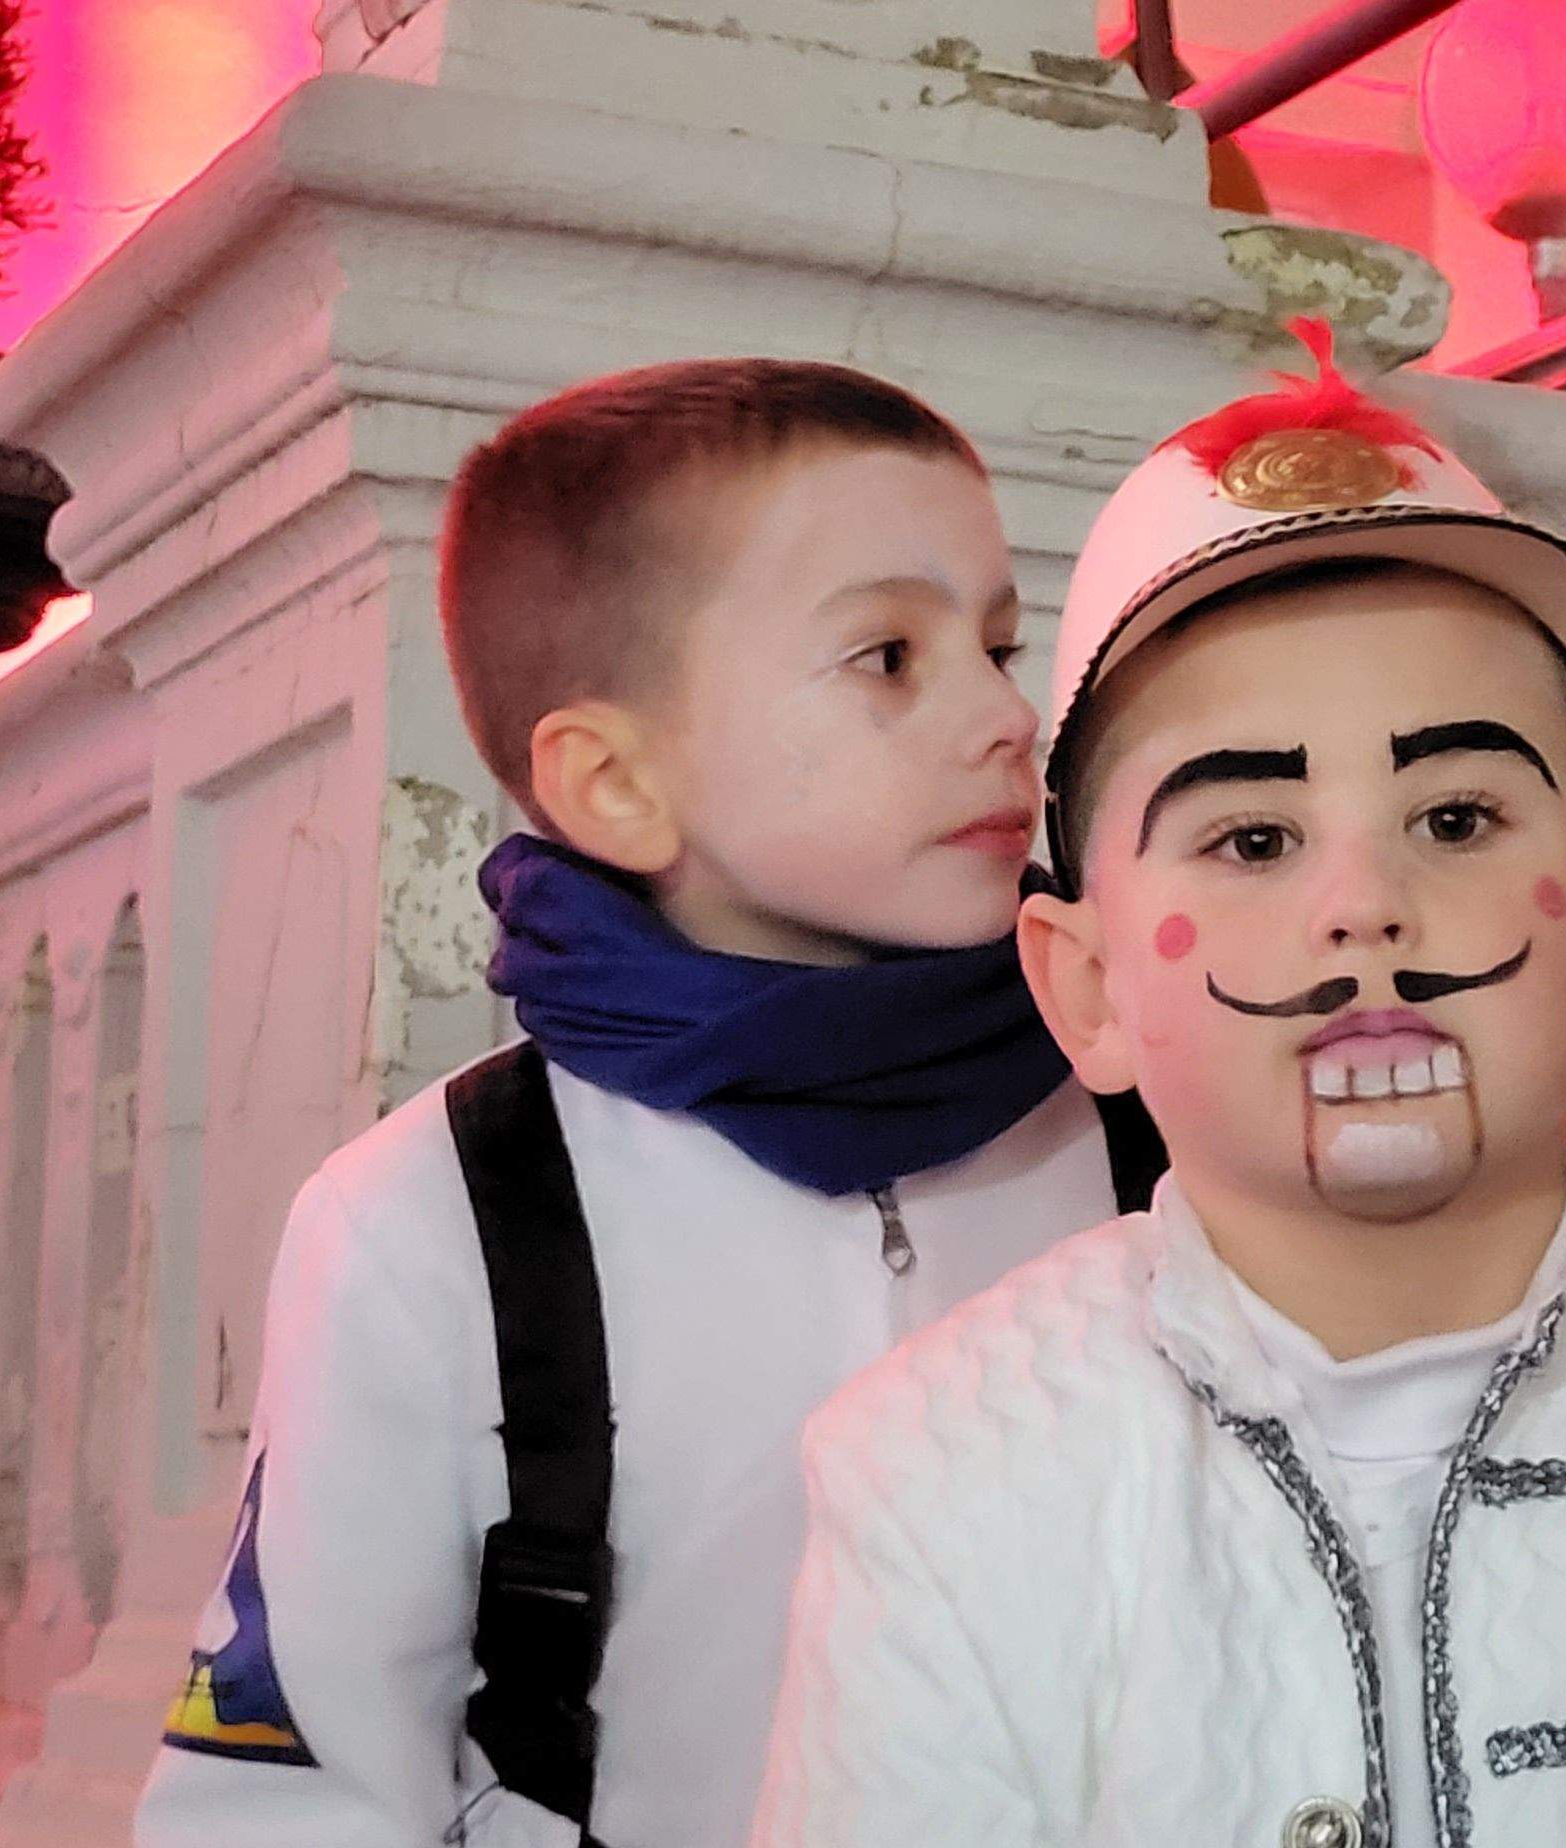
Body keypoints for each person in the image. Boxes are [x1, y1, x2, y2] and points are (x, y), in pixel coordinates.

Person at [751, 330, 1566, 1848]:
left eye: (1455, 816)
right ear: (1086, 986)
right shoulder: (943, 1470)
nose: (1363, 906)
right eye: (1252, 840)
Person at [135, 359, 1150, 1847]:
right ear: (613, 783)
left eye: (1002, 644)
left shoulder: (1155, 1128)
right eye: (887, 656)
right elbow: (290, 1802)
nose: (1011, 716)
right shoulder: (433, 1220)